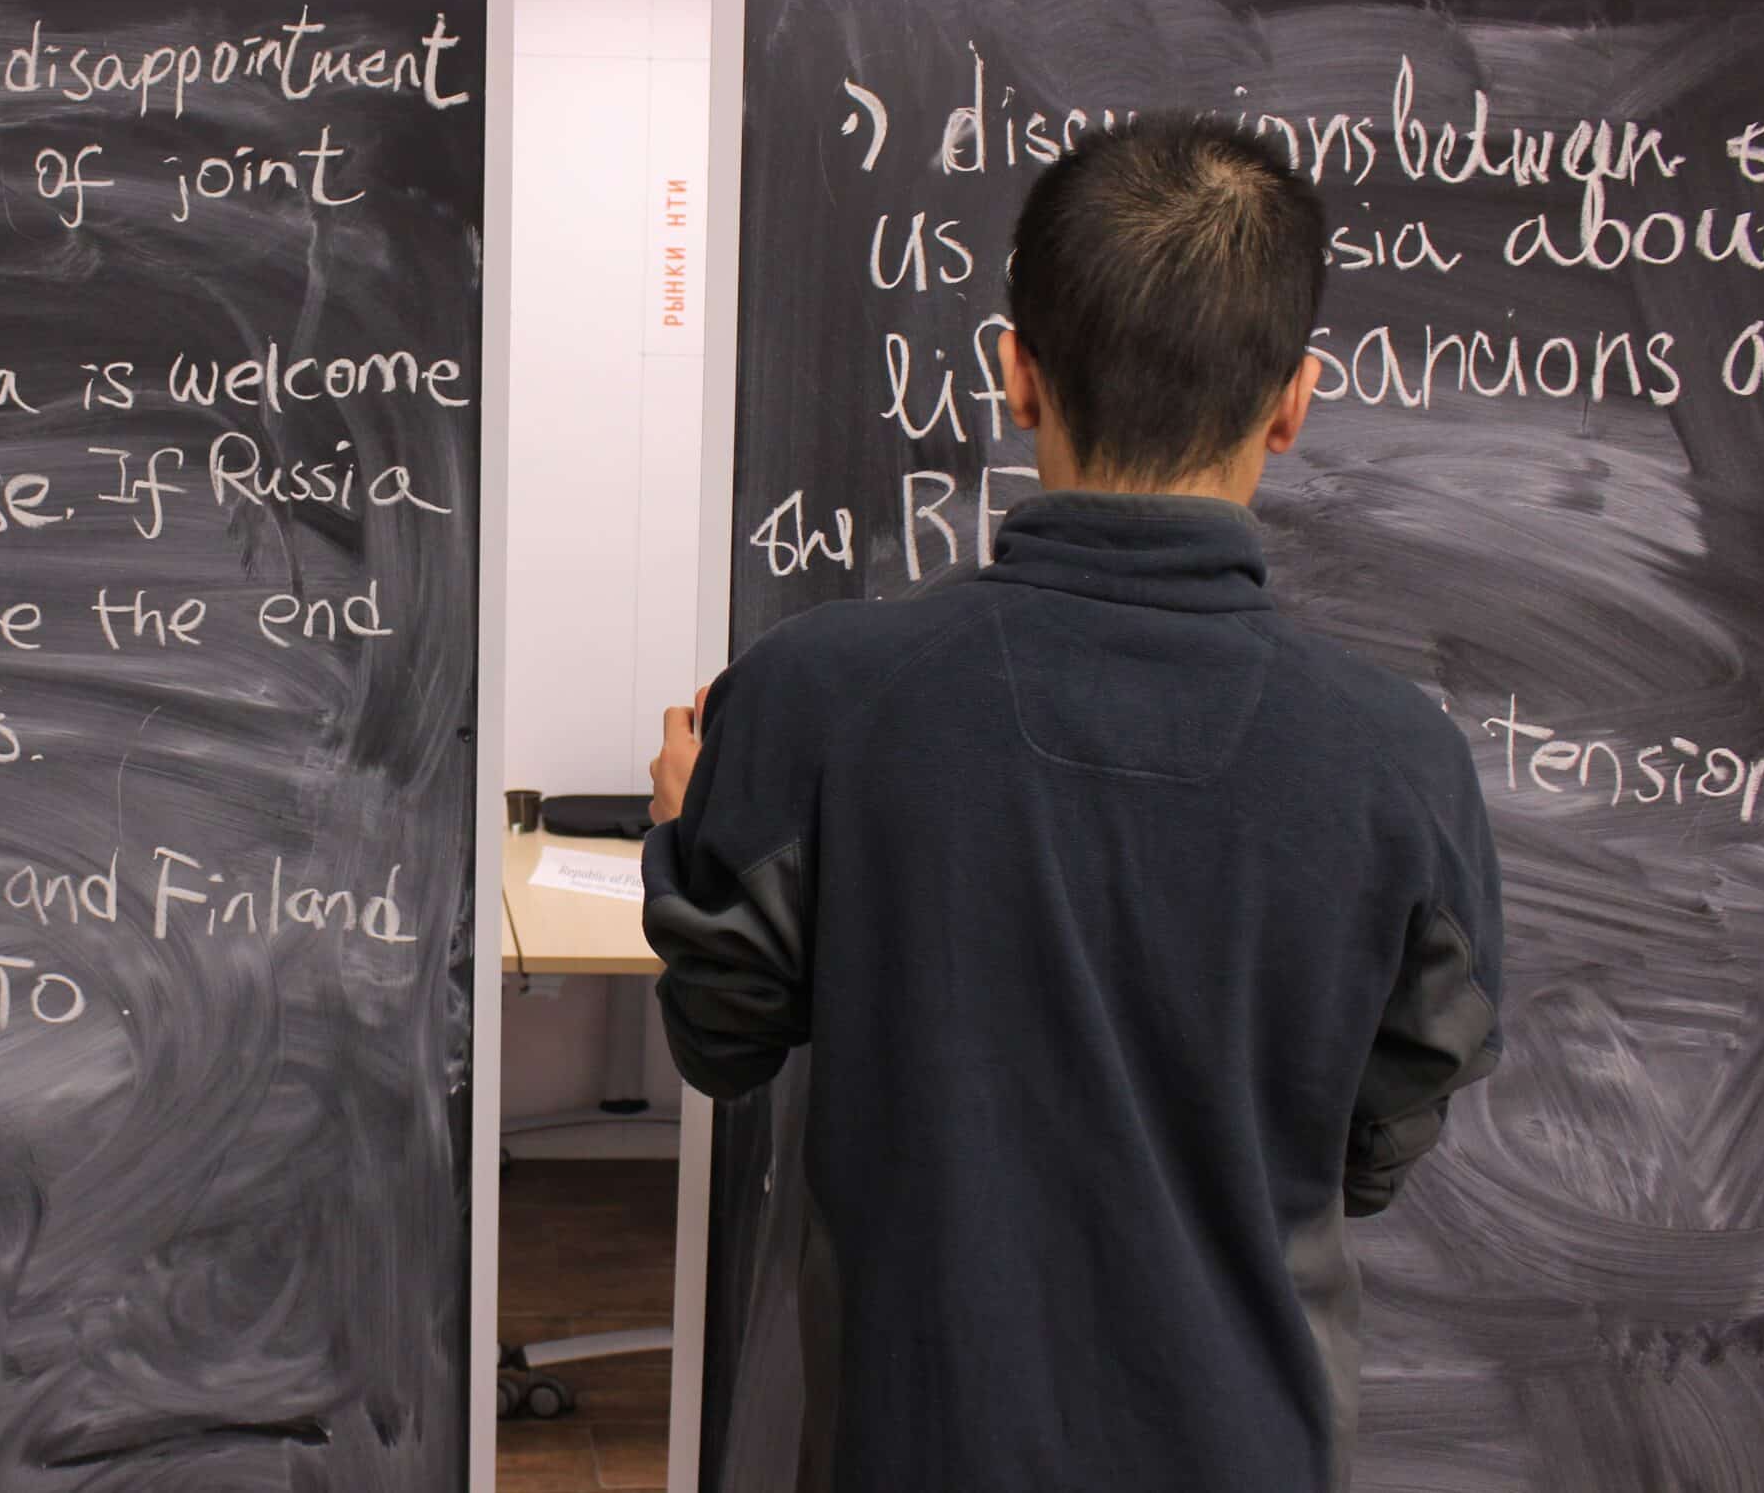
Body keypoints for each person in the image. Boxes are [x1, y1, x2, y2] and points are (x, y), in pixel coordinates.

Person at [642, 117, 1503, 1493]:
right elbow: (1380, 1141)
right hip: (1250, 1445)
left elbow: (720, 1041)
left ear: (1016, 374)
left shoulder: (815, 699)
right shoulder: (1402, 763)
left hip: (913, 1443)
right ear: (1294, 401)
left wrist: (691, 836)